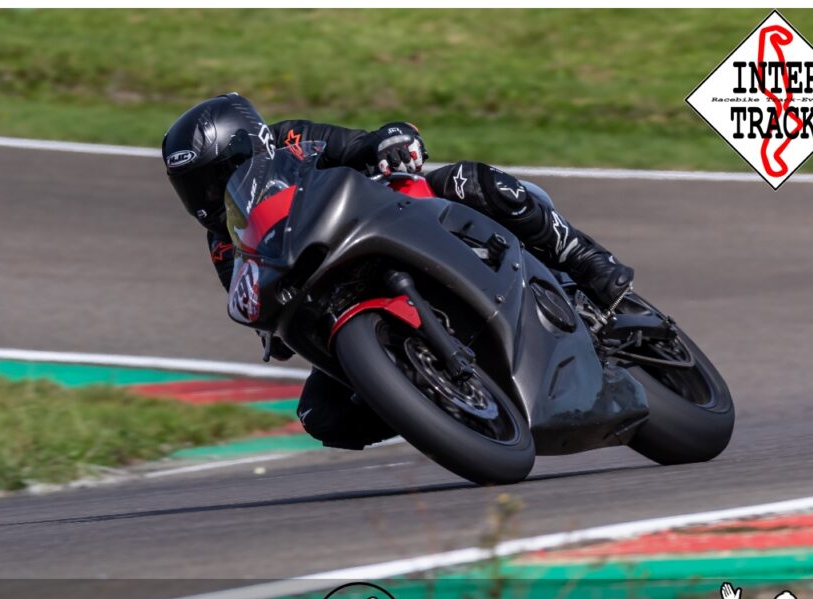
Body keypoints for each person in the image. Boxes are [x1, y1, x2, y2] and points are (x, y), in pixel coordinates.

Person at [163, 93, 634, 449]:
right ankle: (433, 404)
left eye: (213, 178)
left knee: (466, 181)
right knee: (320, 415)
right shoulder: (224, 242)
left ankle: (585, 258)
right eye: (191, 187)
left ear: (247, 149)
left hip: (389, 224)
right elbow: (252, 299)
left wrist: (391, 141)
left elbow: (360, 144)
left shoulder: (293, 141)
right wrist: (270, 328)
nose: (206, 197)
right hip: (338, 299)